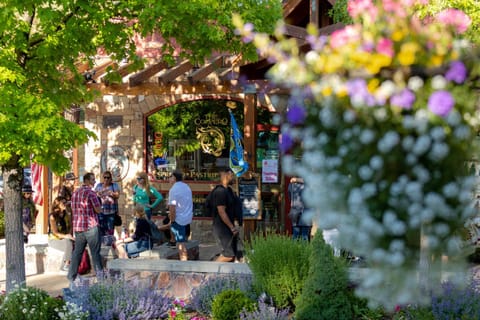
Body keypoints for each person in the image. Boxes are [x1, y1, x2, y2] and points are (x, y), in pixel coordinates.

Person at [67, 172, 103, 284]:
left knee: (77, 252)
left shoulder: (75, 193)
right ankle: (101, 278)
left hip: (78, 227)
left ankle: (71, 277)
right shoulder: (91, 193)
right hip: (91, 226)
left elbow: (73, 210)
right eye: (93, 179)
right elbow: (98, 210)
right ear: (87, 180)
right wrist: (99, 200)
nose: (94, 181)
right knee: (95, 253)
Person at [211, 167, 240, 262]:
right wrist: (231, 227)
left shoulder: (229, 191)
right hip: (222, 227)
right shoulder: (220, 192)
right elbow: (221, 211)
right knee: (228, 255)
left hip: (229, 227)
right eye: (232, 174)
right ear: (226, 175)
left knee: (233, 255)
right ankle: (208, 272)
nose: (233, 177)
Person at [167, 170, 193, 261]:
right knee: (181, 242)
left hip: (179, 219)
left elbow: (172, 207)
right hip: (187, 217)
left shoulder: (173, 190)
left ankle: (184, 265)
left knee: (181, 245)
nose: (168, 179)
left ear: (174, 178)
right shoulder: (186, 187)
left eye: (170, 177)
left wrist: (172, 220)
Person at [48, 196, 74, 272]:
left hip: (65, 238)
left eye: (66, 202)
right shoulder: (52, 216)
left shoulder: (67, 214)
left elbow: (70, 227)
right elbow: (55, 232)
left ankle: (65, 267)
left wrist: (69, 235)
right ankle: (66, 265)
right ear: (58, 204)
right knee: (68, 242)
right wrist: (66, 236)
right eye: (63, 202)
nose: (65, 204)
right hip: (54, 239)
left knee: (73, 243)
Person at [94, 170, 120, 236]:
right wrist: (98, 193)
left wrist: (111, 193)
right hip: (101, 212)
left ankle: (110, 243)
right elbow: (94, 194)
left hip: (111, 212)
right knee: (101, 229)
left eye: (108, 177)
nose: (106, 179)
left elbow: (117, 195)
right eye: (105, 177)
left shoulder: (114, 185)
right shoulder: (99, 185)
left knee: (110, 230)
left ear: (111, 178)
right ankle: (102, 244)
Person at [288, 176, 312, 241]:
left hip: (295, 212)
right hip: (306, 213)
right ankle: (304, 251)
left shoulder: (291, 185)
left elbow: (289, 197)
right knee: (304, 236)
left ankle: (294, 251)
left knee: (295, 236)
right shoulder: (309, 185)